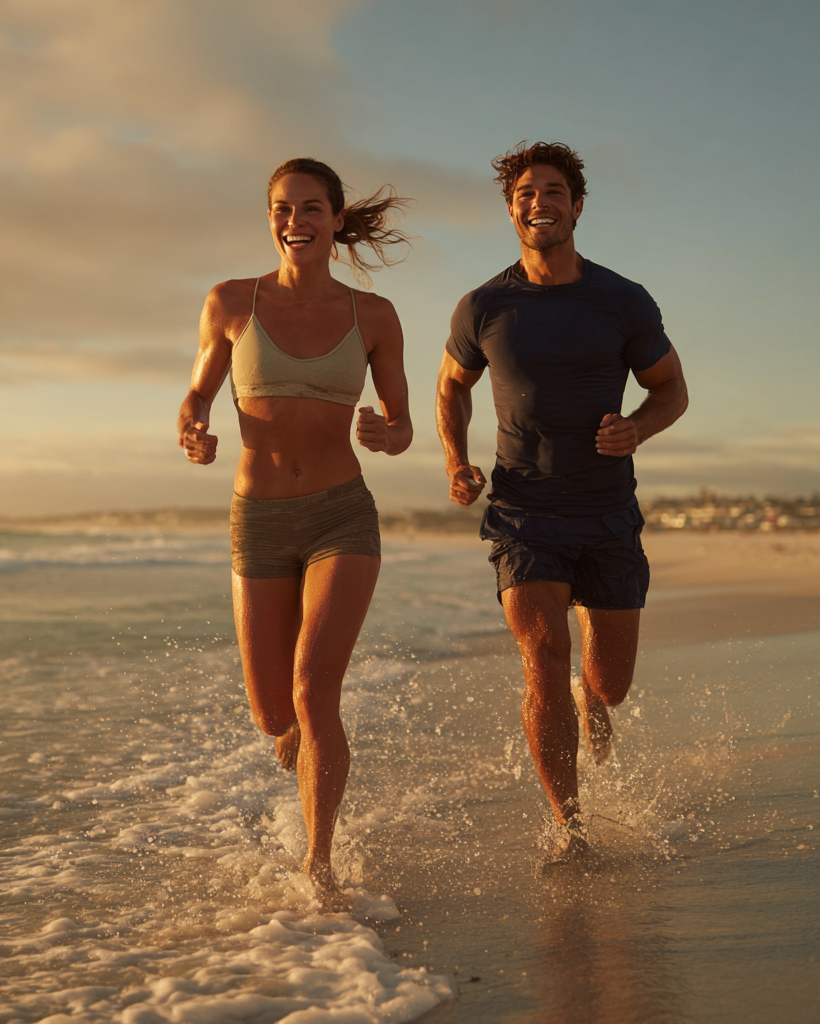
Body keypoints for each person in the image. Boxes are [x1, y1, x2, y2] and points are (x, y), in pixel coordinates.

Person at [435, 141, 688, 861]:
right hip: (523, 510)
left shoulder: (622, 299)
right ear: (510, 208)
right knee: (543, 653)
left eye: (553, 191)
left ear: (577, 206)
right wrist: (457, 460)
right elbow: (452, 385)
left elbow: (672, 387)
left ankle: (593, 699)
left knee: (609, 682)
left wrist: (635, 426)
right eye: (524, 192)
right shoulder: (484, 304)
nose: (537, 202)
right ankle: (569, 828)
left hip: (606, 511)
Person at [178, 158, 413, 900]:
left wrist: (388, 432)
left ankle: (319, 862)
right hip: (259, 519)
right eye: (283, 208)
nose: (295, 222)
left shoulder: (372, 316)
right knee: (274, 712)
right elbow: (194, 396)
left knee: (314, 692)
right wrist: (194, 430)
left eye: (312, 208)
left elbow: (403, 424)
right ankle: (294, 733)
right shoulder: (229, 302)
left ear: (336, 220)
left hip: (342, 514)